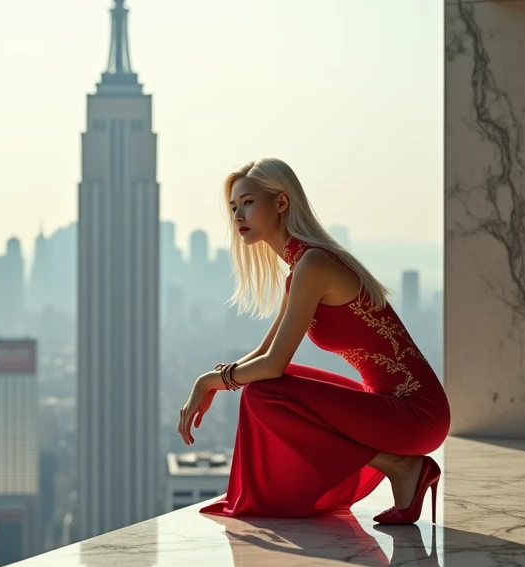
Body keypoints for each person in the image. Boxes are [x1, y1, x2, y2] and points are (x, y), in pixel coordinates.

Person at [177, 157, 451, 524]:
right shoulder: (301, 270)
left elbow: (271, 365)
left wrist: (208, 381)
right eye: (233, 207)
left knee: (264, 393)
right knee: (265, 388)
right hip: (388, 408)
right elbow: (265, 353)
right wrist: (218, 377)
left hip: (416, 415)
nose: (238, 214)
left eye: (248, 202)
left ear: (281, 202)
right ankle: (400, 467)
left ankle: (400, 466)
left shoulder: (313, 265)